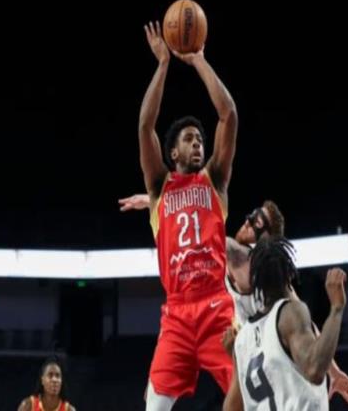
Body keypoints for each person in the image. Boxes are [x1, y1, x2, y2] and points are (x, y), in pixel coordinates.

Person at [119, 195, 348, 405]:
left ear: (265, 237)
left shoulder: (237, 253)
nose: (247, 221)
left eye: (255, 222)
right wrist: (335, 372)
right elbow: (307, 325)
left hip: (256, 349)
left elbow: (197, 219)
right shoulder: (273, 277)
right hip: (249, 347)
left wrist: (156, 201)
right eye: (250, 216)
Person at [138, 20, 238, 410]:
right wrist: (163, 64)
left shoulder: (215, 180)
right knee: (154, 406)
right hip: (177, 314)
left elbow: (228, 114)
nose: (198, 144)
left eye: (200, 140)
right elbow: (145, 125)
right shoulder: (159, 188)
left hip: (217, 307)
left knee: (251, 392)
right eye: (189, 139)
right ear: (173, 153)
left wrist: (198, 60)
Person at [223, 236, 348, 411]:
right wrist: (336, 309)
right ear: (289, 274)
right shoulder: (290, 313)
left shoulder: (242, 339)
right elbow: (314, 370)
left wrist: (237, 363)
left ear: (254, 279)